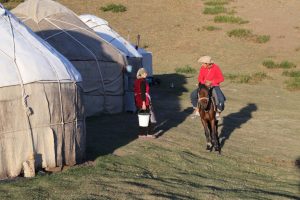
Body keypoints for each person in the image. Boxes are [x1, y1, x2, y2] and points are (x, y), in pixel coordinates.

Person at [190, 56, 226, 120]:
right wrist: (204, 82)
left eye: (203, 63)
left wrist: (211, 82)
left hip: (214, 86)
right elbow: (200, 78)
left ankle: (218, 112)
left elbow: (221, 78)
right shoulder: (202, 68)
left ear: (207, 63)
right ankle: (197, 110)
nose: (202, 64)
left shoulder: (216, 68)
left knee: (221, 99)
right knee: (193, 95)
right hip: (204, 86)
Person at [134, 68, 156, 138]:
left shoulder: (137, 81)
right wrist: (144, 103)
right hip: (143, 101)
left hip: (138, 100)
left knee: (142, 117)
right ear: (142, 74)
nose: (146, 74)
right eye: (145, 73)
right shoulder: (142, 81)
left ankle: (142, 133)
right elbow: (143, 92)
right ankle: (149, 133)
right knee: (148, 117)